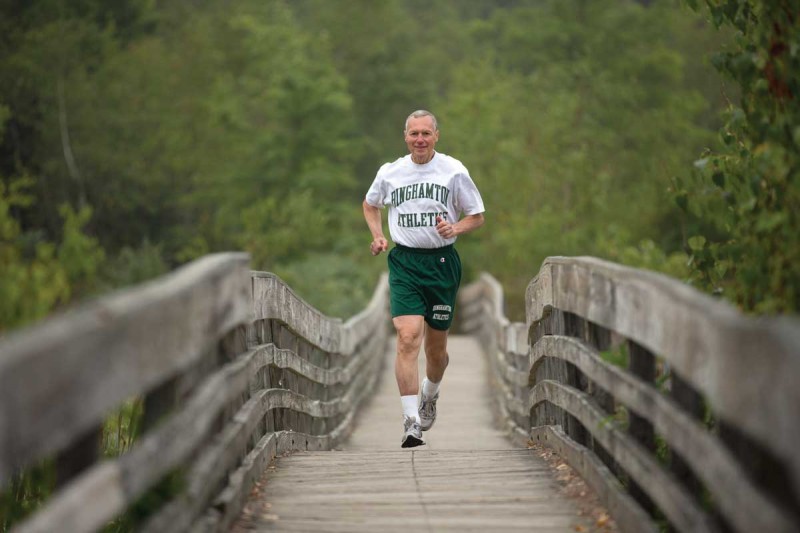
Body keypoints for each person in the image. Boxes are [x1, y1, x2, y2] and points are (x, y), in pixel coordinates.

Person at [362, 109, 485, 448]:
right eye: (413, 133)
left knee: (436, 350)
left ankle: (430, 395)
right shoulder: (390, 172)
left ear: (436, 136)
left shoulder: (453, 170)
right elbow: (371, 204)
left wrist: (456, 226)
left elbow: (477, 216)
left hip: (442, 263)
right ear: (405, 136)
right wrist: (377, 234)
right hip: (404, 262)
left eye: (425, 134)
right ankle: (411, 422)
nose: (419, 139)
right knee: (407, 335)